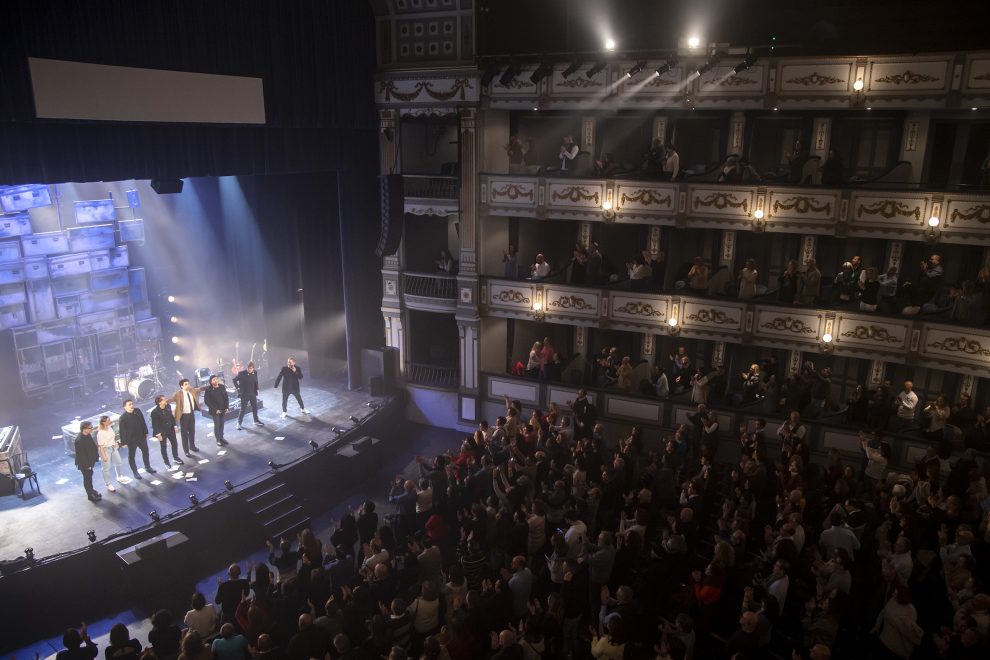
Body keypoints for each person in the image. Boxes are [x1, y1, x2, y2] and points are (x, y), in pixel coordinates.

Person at [119, 399, 156, 479]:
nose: (132, 405)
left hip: (141, 437)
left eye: (132, 404)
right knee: (131, 456)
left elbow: (142, 421)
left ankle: (148, 467)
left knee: (145, 452)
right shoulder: (123, 418)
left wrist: (145, 432)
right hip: (131, 440)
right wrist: (123, 443)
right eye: (129, 404)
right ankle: (135, 472)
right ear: (125, 407)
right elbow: (122, 431)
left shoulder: (137, 411)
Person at [171, 379, 202, 456]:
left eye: (188, 384)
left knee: (192, 431)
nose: (188, 385)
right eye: (186, 384)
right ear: (181, 386)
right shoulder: (178, 394)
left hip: (191, 414)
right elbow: (170, 400)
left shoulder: (192, 390)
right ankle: (186, 451)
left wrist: (210, 385)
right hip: (184, 416)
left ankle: (192, 446)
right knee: (184, 434)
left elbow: (200, 389)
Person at [150, 395, 183, 468]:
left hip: (170, 429)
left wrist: (174, 425)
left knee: (174, 443)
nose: (166, 400)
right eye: (164, 400)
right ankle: (166, 463)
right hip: (162, 432)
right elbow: (155, 425)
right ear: (159, 402)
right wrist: (158, 435)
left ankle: (176, 457)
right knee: (163, 447)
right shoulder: (154, 412)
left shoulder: (168, 406)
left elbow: (171, 417)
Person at [233, 361, 264, 430]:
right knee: (243, 409)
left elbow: (256, 381)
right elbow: (234, 380)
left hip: (252, 393)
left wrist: (257, 388)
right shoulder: (241, 373)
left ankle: (256, 421)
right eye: (248, 368)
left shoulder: (255, 372)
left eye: (251, 368)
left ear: (253, 368)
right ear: (247, 367)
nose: (249, 369)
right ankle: (239, 423)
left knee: (255, 407)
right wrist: (238, 388)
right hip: (244, 394)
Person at [95, 415, 124, 491]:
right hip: (105, 449)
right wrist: (103, 456)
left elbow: (113, 437)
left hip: (113, 447)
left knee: (118, 462)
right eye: (108, 420)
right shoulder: (100, 433)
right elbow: (100, 446)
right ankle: (108, 484)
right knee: (106, 468)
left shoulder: (110, 428)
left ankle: (119, 476)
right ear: (103, 422)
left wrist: (115, 443)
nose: (109, 421)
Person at [74, 422, 101, 501]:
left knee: (89, 477)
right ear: (84, 429)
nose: (92, 429)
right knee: (87, 478)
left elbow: (92, 446)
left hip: (89, 462)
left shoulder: (87, 435)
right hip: (85, 464)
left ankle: (91, 490)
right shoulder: (79, 440)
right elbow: (81, 455)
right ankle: (90, 495)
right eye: (90, 428)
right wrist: (87, 466)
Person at [204, 375, 230, 447]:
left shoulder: (222, 387)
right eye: (213, 380)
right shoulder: (208, 390)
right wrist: (215, 410)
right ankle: (218, 440)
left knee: (222, 424)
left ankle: (222, 438)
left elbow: (226, 397)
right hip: (215, 411)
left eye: (216, 379)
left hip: (223, 409)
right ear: (211, 382)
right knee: (217, 425)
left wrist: (226, 407)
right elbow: (207, 401)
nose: (215, 381)